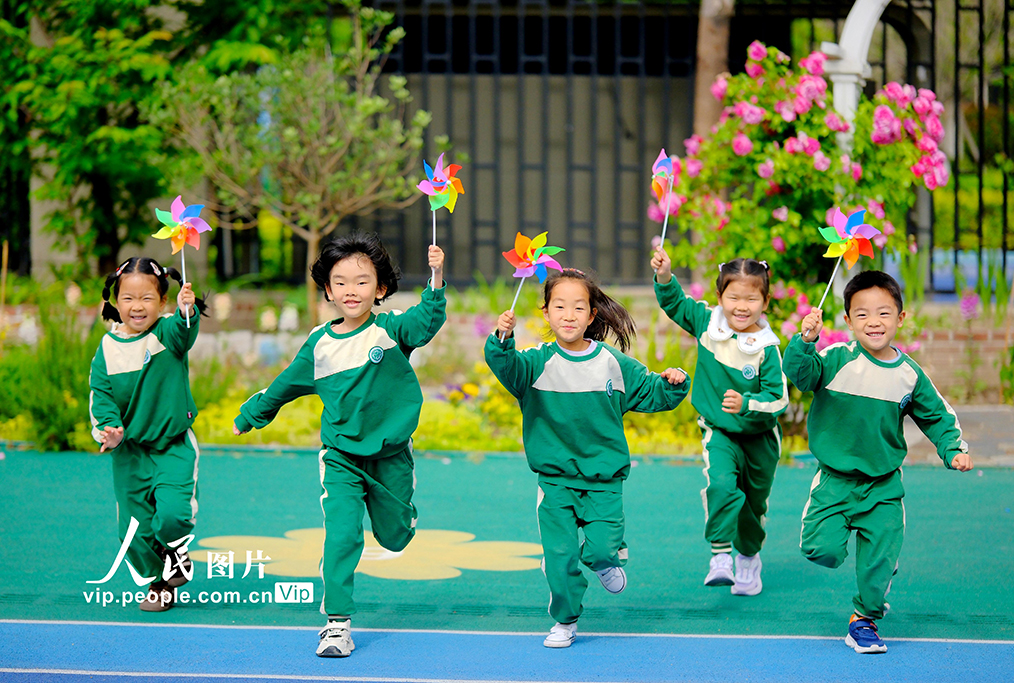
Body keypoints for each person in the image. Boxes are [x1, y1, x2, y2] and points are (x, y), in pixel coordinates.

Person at [232, 233, 446, 658]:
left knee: (395, 537)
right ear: (327, 289)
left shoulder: (390, 329)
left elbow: (425, 320)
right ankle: (336, 625)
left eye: (362, 281)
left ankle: (400, 521)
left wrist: (436, 276)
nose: (351, 290)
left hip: (389, 458)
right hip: (341, 458)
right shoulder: (319, 344)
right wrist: (250, 415)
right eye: (341, 281)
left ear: (381, 288)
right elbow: (285, 385)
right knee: (342, 535)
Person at [484, 267, 690, 648]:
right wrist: (502, 338)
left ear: (592, 315)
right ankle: (566, 621)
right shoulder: (533, 363)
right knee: (559, 559)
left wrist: (674, 382)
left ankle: (605, 559)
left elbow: (650, 391)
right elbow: (505, 365)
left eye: (578, 307)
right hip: (556, 481)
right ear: (545, 312)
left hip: (604, 482)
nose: (568, 314)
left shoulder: (611, 363)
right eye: (559, 306)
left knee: (599, 550)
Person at [784, 269, 972, 654]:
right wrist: (805, 341)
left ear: (900, 319)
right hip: (835, 481)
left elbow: (937, 415)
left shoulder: (908, 375)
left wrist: (953, 449)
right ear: (849, 320)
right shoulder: (834, 359)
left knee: (877, 565)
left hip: (884, 487)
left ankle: (863, 620)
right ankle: (864, 557)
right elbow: (799, 375)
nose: (874, 322)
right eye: (863, 314)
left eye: (884, 313)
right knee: (823, 551)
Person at [651, 250, 788, 596]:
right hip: (720, 430)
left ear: (765, 301)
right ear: (720, 297)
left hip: (759, 438)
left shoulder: (767, 348)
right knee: (723, 486)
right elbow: (675, 304)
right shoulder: (707, 322)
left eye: (751, 298)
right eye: (733, 297)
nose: (741, 306)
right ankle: (720, 555)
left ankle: (748, 556)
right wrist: (666, 276)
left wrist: (747, 404)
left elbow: (778, 398)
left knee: (753, 504)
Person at [89, 256, 205, 612]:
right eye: (128, 298)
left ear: (163, 302)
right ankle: (160, 581)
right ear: (114, 301)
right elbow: (101, 394)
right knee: (132, 532)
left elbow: (184, 332)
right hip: (129, 453)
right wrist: (108, 430)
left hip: (172, 446)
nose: (137, 306)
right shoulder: (107, 350)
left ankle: (176, 552)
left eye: (147, 298)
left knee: (172, 515)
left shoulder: (167, 333)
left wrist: (189, 311)